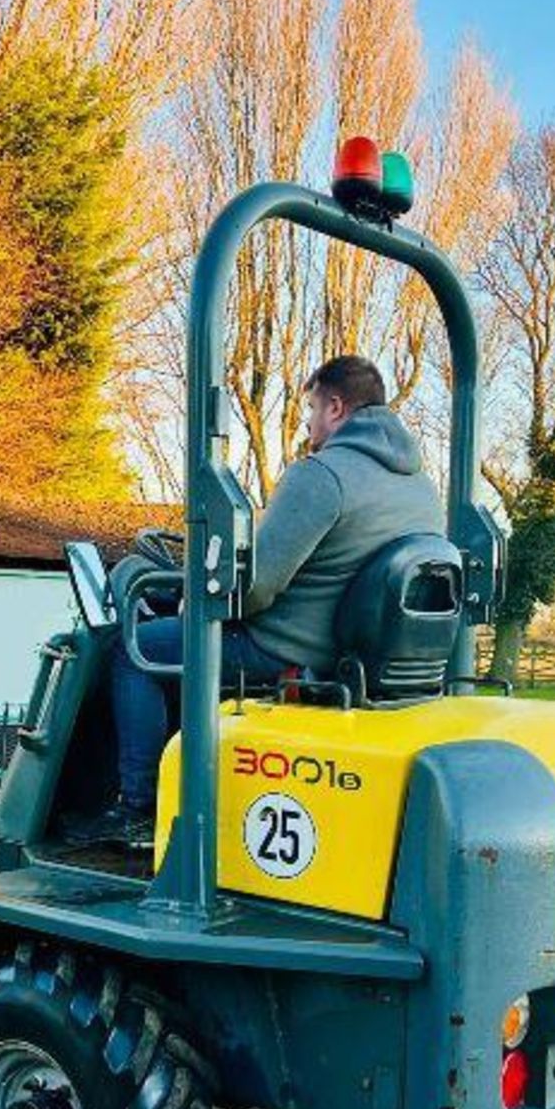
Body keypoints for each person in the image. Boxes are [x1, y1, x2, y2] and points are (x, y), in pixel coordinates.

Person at [100, 354, 446, 842]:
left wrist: (191, 600)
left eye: (310, 409)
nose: (307, 422)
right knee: (171, 648)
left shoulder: (323, 475)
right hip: (357, 657)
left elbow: (255, 587)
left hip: (284, 648)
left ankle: (137, 809)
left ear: (336, 407)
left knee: (131, 650)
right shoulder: (422, 489)